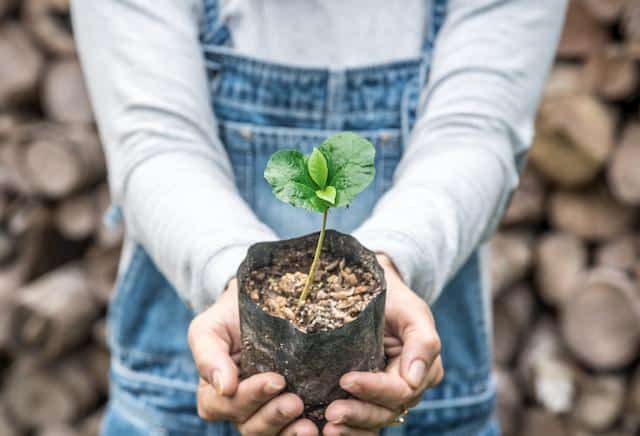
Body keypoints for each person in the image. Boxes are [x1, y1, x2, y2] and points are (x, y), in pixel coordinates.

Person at [71, 0, 566, 435]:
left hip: (413, 392)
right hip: (185, 394)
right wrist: (236, 281)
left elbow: (477, 133)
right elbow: (154, 138)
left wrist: (392, 263)